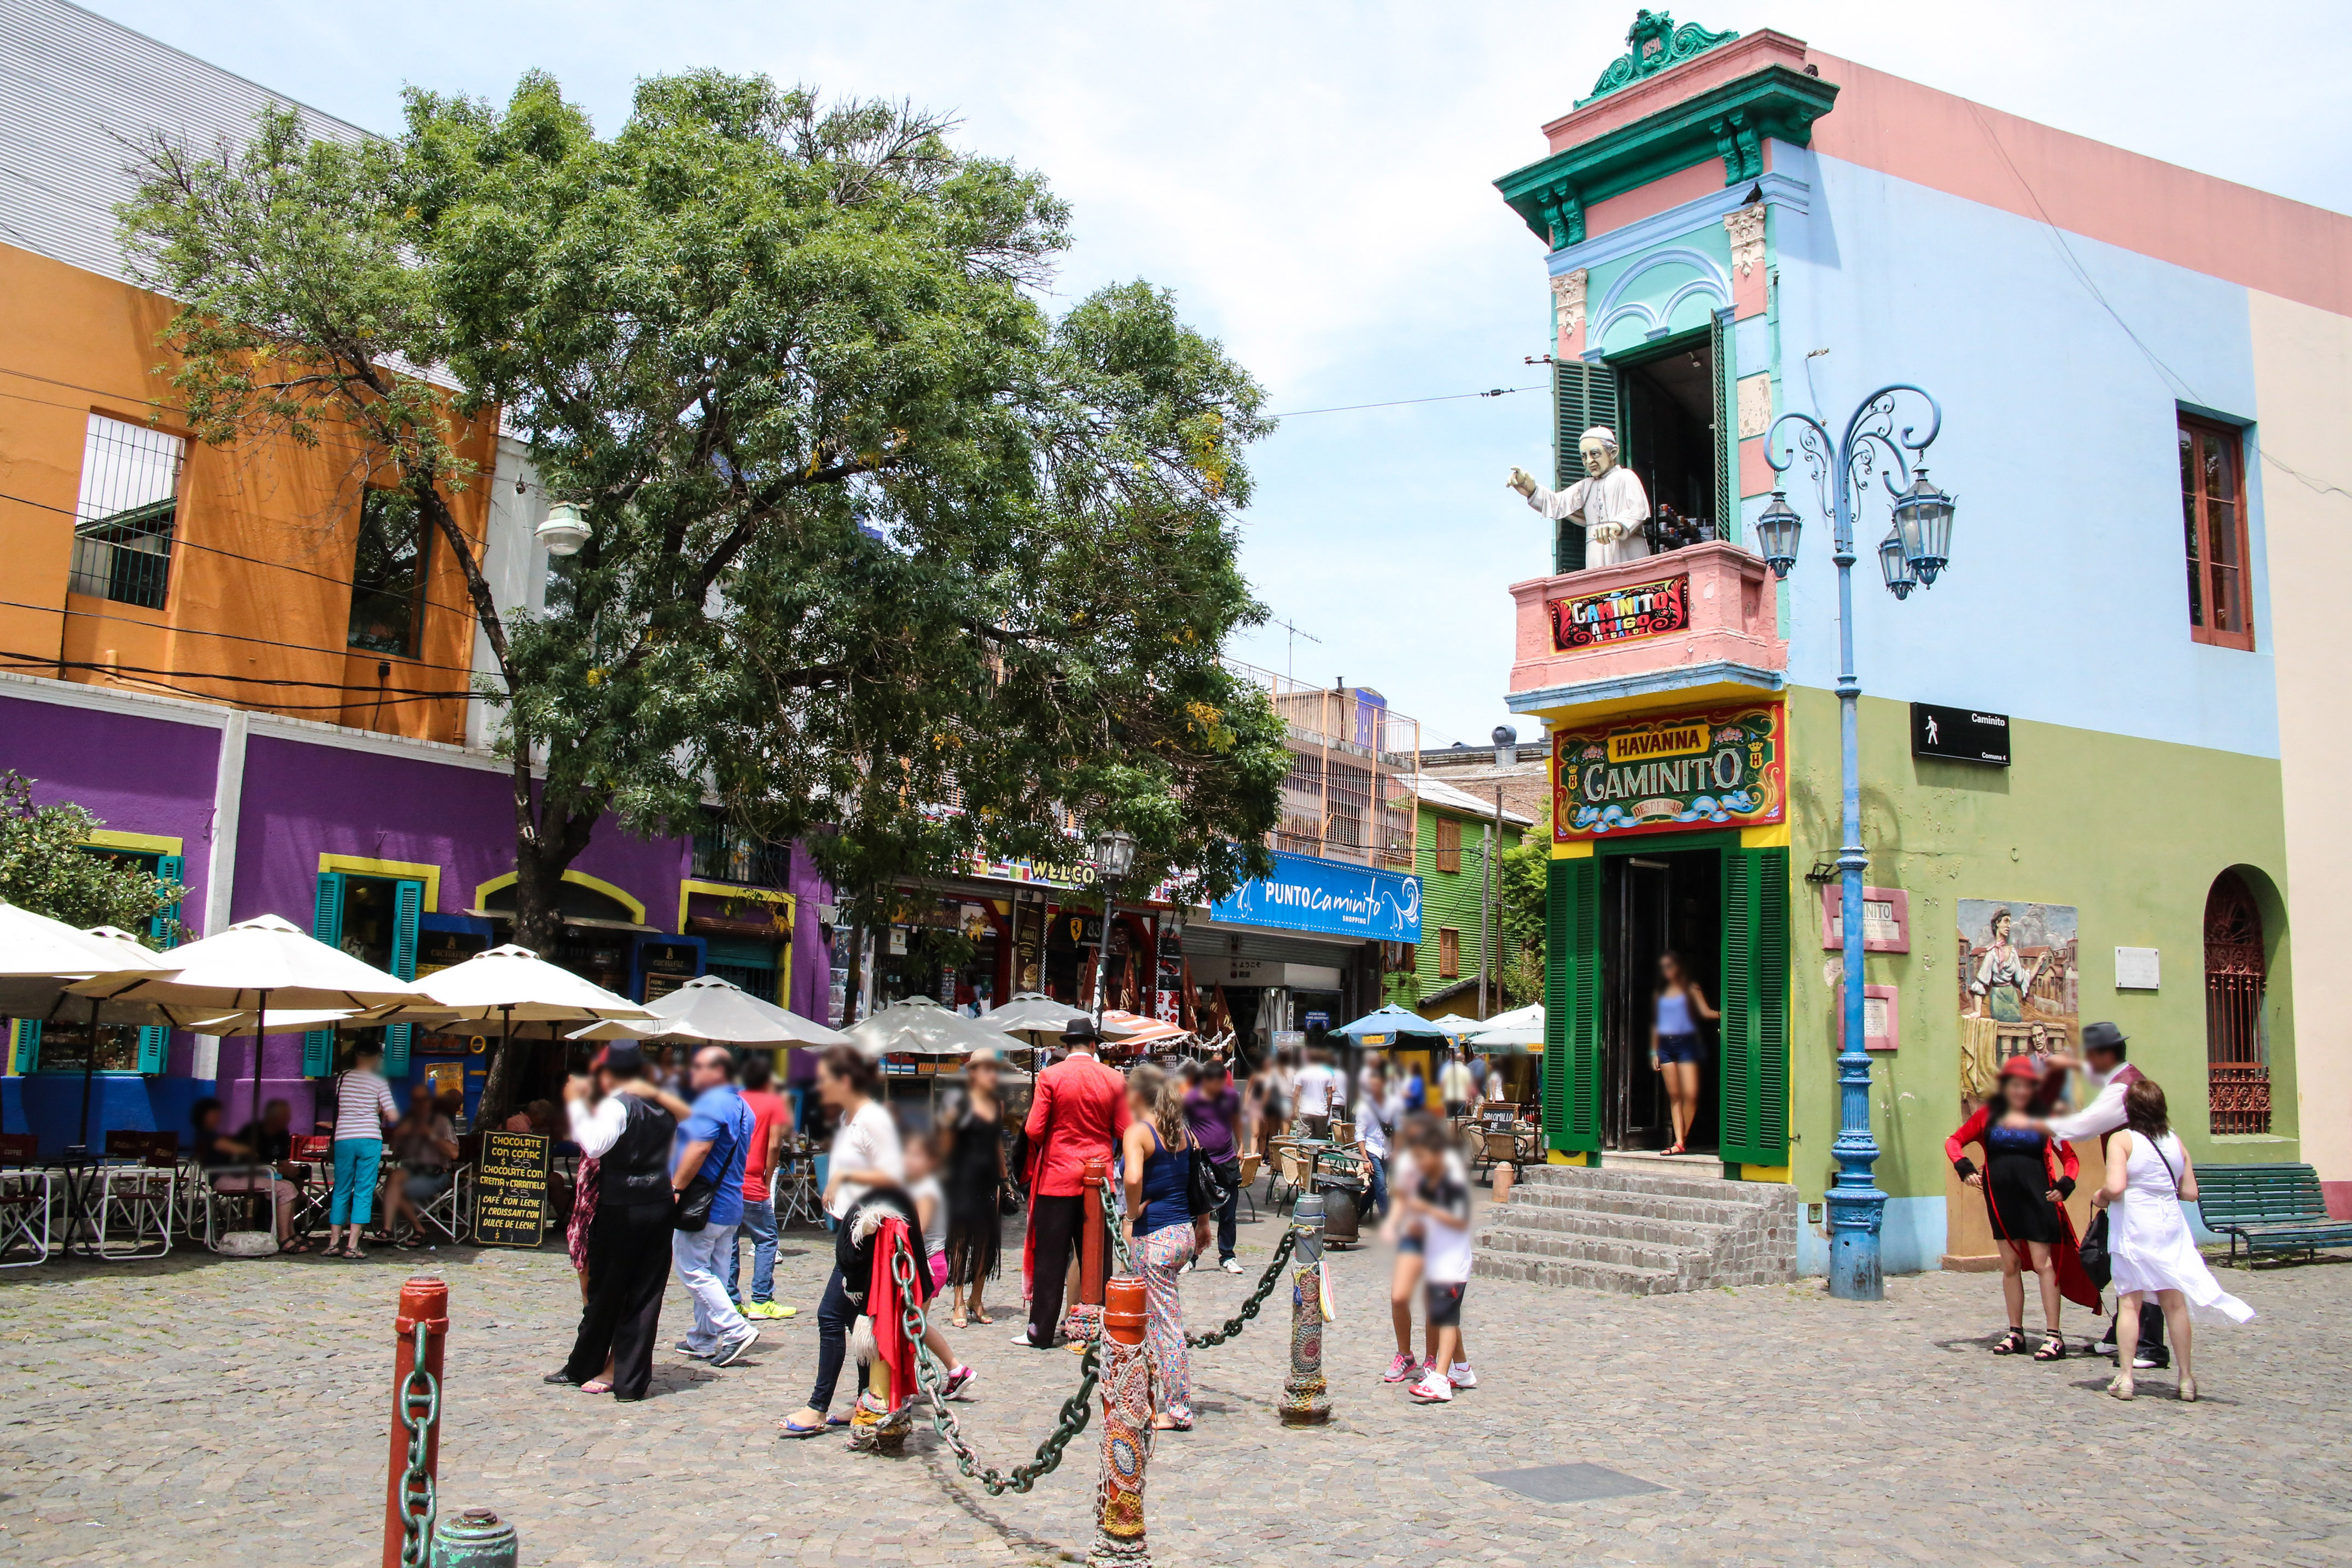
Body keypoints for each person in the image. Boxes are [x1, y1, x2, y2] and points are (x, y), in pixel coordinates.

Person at [780, 1046, 971, 1437]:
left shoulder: (873, 1119)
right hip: (856, 1237)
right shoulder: (852, 1118)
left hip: (872, 1239)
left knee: (830, 1316)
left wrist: (843, 1182)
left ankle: (818, 1406)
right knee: (857, 1322)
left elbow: (896, 1177)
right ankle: (869, 1398)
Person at [2095, 1077, 2252, 1401]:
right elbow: (2191, 1192)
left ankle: (2125, 1379)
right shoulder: (2175, 1142)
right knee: (2174, 1302)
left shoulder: (2122, 1141)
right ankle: (2186, 1379)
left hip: (2136, 1225)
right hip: (2170, 1227)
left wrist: (2100, 1196)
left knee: (2129, 1301)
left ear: (2130, 1110)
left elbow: (2116, 1187)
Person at [2030, 1022, 2170, 1369]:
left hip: (2137, 1186)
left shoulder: (2123, 1091)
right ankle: (2121, 1334)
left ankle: (2151, 1344)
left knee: (2139, 1261)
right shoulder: (2124, 1083)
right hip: (2132, 1184)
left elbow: (2084, 1124)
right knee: (2123, 1257)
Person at [1944, 1057, 2100, 1360]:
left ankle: (2054, 1336)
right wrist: (1964, 1168)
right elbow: (1954, 1142)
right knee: (2010, 1266)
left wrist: (2066, 1184)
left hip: (2037, 1198)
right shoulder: (1989, 1114)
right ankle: (2016, 1332)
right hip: (2001, 1201)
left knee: (2044, 1265)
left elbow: (2070, 1158)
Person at [548, 1044, 678, 1400]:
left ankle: (591, 1366)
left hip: (624, 1206)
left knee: (607, 1291)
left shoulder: (617, 1104)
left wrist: (574, 1101)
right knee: (644, 1294)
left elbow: (594, 1144)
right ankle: (627, 1379)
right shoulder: (663, 1103)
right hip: (658, 1202)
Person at [1016, 1019, 1131, 1349]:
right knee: (1097, 1258)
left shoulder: (1051, 1076)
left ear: (1067, 1046)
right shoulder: (1114, 1078)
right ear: (1094, 1045)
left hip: (1057, 1176)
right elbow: (1123, 1128)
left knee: (1050, 1258)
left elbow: (1035, 1129)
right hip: (1099, 1178)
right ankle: (1102, 1327)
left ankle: (1040, 1330)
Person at [1120, 1063, 1208, 1430]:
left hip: (1154, 1235)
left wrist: (1130, 1213)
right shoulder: (1181, 1131)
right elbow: (1195, 1180)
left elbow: (1134, 1176)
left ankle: (1178, 1407)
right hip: (1181, 1232)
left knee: (1165, 1324)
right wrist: (1203, 1223)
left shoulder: (1138, 1132)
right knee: (1156, 1318)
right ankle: (1150, 1391)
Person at [662, 1046, 759, 1367]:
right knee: (715, 1274)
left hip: (705, 1205)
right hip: (730, 1203)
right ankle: (703, 1339)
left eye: (700, 1067)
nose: (694, 1073)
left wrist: (676, 1187)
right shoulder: (743, 1106)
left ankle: (735, 1330)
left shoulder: (712, 1102)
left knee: (692, 1269)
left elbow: (700, 1149)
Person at [1396, 1113, 1476, 1403]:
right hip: (1438, 1263)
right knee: (1448, 1317)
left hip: (1451, 1265)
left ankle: (1441, 1379)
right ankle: (1463, 1370)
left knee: (1444, 1317)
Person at [944, 1048, 1008, 1326]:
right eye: (987, 1069)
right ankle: (958, 1300)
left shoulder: (997, 1104)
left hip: (988, 1179)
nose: (993, 1075)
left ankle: (976, 1298)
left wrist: (1004, 1181)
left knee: (985, 1241)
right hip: (961, 1178)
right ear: (972, 1073)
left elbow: (996, 1144)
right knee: (960, 1241)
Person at [194, 1097, 302, 1250]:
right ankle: (283, 1238)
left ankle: (289, 1233)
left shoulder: (282, 1133)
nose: (289, 1119)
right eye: (285, 1116)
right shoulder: (243, 1132)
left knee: (292, 1185)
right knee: (286, 1189)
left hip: (256, 1175)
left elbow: (279, 1163)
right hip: (227, 1176)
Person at [730, 1052, 791, 1321]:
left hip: (730, 1182)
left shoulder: (736, 1100)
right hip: (754, 1182)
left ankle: (731, 1300)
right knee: (766, 1239)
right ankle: (761, 1299)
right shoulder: (774, 1103)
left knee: (729, 1243)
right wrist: (767, 1179)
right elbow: (775, 1144)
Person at [324, 1042, 398, 1259]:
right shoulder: (379, 1081)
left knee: (341, 1189)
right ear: (376, 1058)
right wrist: (378, 1111)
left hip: (344, 1137)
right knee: (364, 1191)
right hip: (368, 1138)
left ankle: (333, 1243)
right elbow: (392, 1116)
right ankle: (353, 1246)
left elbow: (344, 1106)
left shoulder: (343, 1078)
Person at [1651, 952, 1719, 1156]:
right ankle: (1679, 1142)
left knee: (1690, 1095)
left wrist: (1727, 1012)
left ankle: (1683, 1139)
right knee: (1675, 1096)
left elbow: (1706, 1012)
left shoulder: (1692, 987)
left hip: (1687, 1044)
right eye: (1664, 967)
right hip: (1665, 1045)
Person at [1183, 1056, 1246, 1274]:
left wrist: (1242, 1145)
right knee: (1196, 1211)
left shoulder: (1230, 1096)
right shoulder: (1191, 1098)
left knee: (1229, 1213)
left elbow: (1236, 1120)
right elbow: (1181, 1123)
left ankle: (1227, 1255)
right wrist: (1191, 1138)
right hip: (1201, 1161)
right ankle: (1191, 1256)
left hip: (1227, 1159)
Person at [380, 1085, 459, 1247]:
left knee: (395, 1188)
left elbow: (454, 1154)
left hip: (437, 1173)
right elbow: (394, 1151)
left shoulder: (441, 1122)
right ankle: (388, 1231)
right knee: (394, 1177)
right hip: (413, 1170)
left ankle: (418, 1229)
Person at [1356, 1062, 1397, 1219]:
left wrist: (1395, 1150)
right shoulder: (1364, 1107)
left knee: (1376, 1186)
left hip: (1385, 1150)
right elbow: (1359, 1134)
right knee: (1380, 1184)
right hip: (1371, 1149)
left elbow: (1396, 1128)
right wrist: (1365, 1159)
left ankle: (1357, 1212)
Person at [1295, 1047, 1340, 1140]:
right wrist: (1327, 1110)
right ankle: (1319, 1154)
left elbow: (1296, 1093)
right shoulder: (1327, 1074)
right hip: (1321, 1111)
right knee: (1322, 1140)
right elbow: (1330, 1095)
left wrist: (1294, 1109)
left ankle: (1307, 1155)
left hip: (1305, 1110)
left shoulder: (1301, 1073)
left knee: (1304, 1140)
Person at [1438, 1049, 1474, 1118]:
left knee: (1450, 1118)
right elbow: (1468, 1086)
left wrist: (1443, 1096)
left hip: (1449, 1098)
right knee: (1459, 1119)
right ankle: (1457, 1130)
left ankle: (1450, 1129)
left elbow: (1442, 1084)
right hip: (1461, 1098)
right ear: (1463, 1060)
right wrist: (1470, 1097)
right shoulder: (1466, 1070)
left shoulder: (1447, 1069)